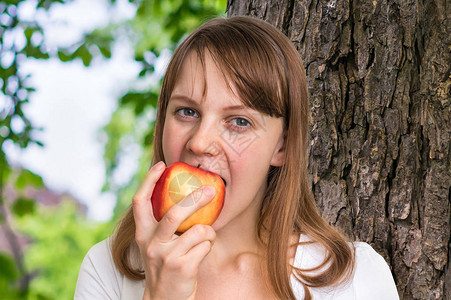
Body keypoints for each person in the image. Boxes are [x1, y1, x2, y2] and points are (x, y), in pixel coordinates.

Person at [74, 16, 399, 299]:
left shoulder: (353, 280)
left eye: (239, 121)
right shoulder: (108, 270)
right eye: (187, 111)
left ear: (281, 147)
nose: (200, 142)